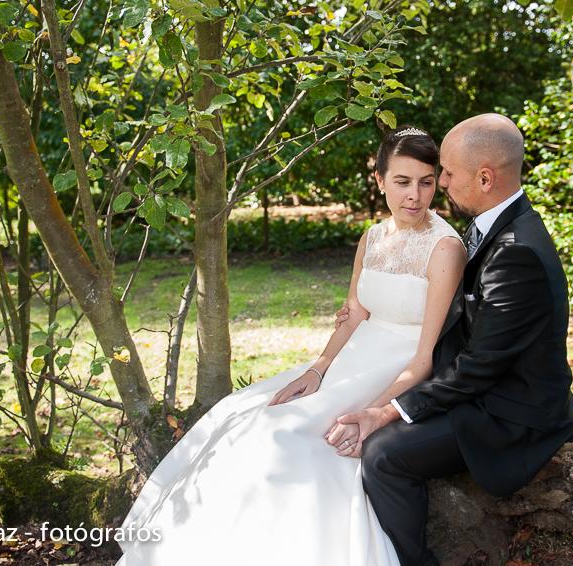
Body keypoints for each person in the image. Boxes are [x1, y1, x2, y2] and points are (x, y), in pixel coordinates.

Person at [114, 126, 467, 566]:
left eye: (426, 182)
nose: (415, 195)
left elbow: (424, 358)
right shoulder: (373, 237)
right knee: (240, 417)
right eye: (402, 181)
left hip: (394, 371)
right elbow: (355, 313)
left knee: (284, 441)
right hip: (351, 360)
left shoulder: (445, 248)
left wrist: (374, 413)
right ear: (378, 180)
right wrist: (316, 370)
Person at [332, 113, 573, 565]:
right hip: (481, 386)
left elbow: (482, 365)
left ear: (485, 178)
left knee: (385, 455)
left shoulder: (515, 252)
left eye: (446, 173)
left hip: (512, 412)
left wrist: (390, 410)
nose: (439, 182)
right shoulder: (496, 224)